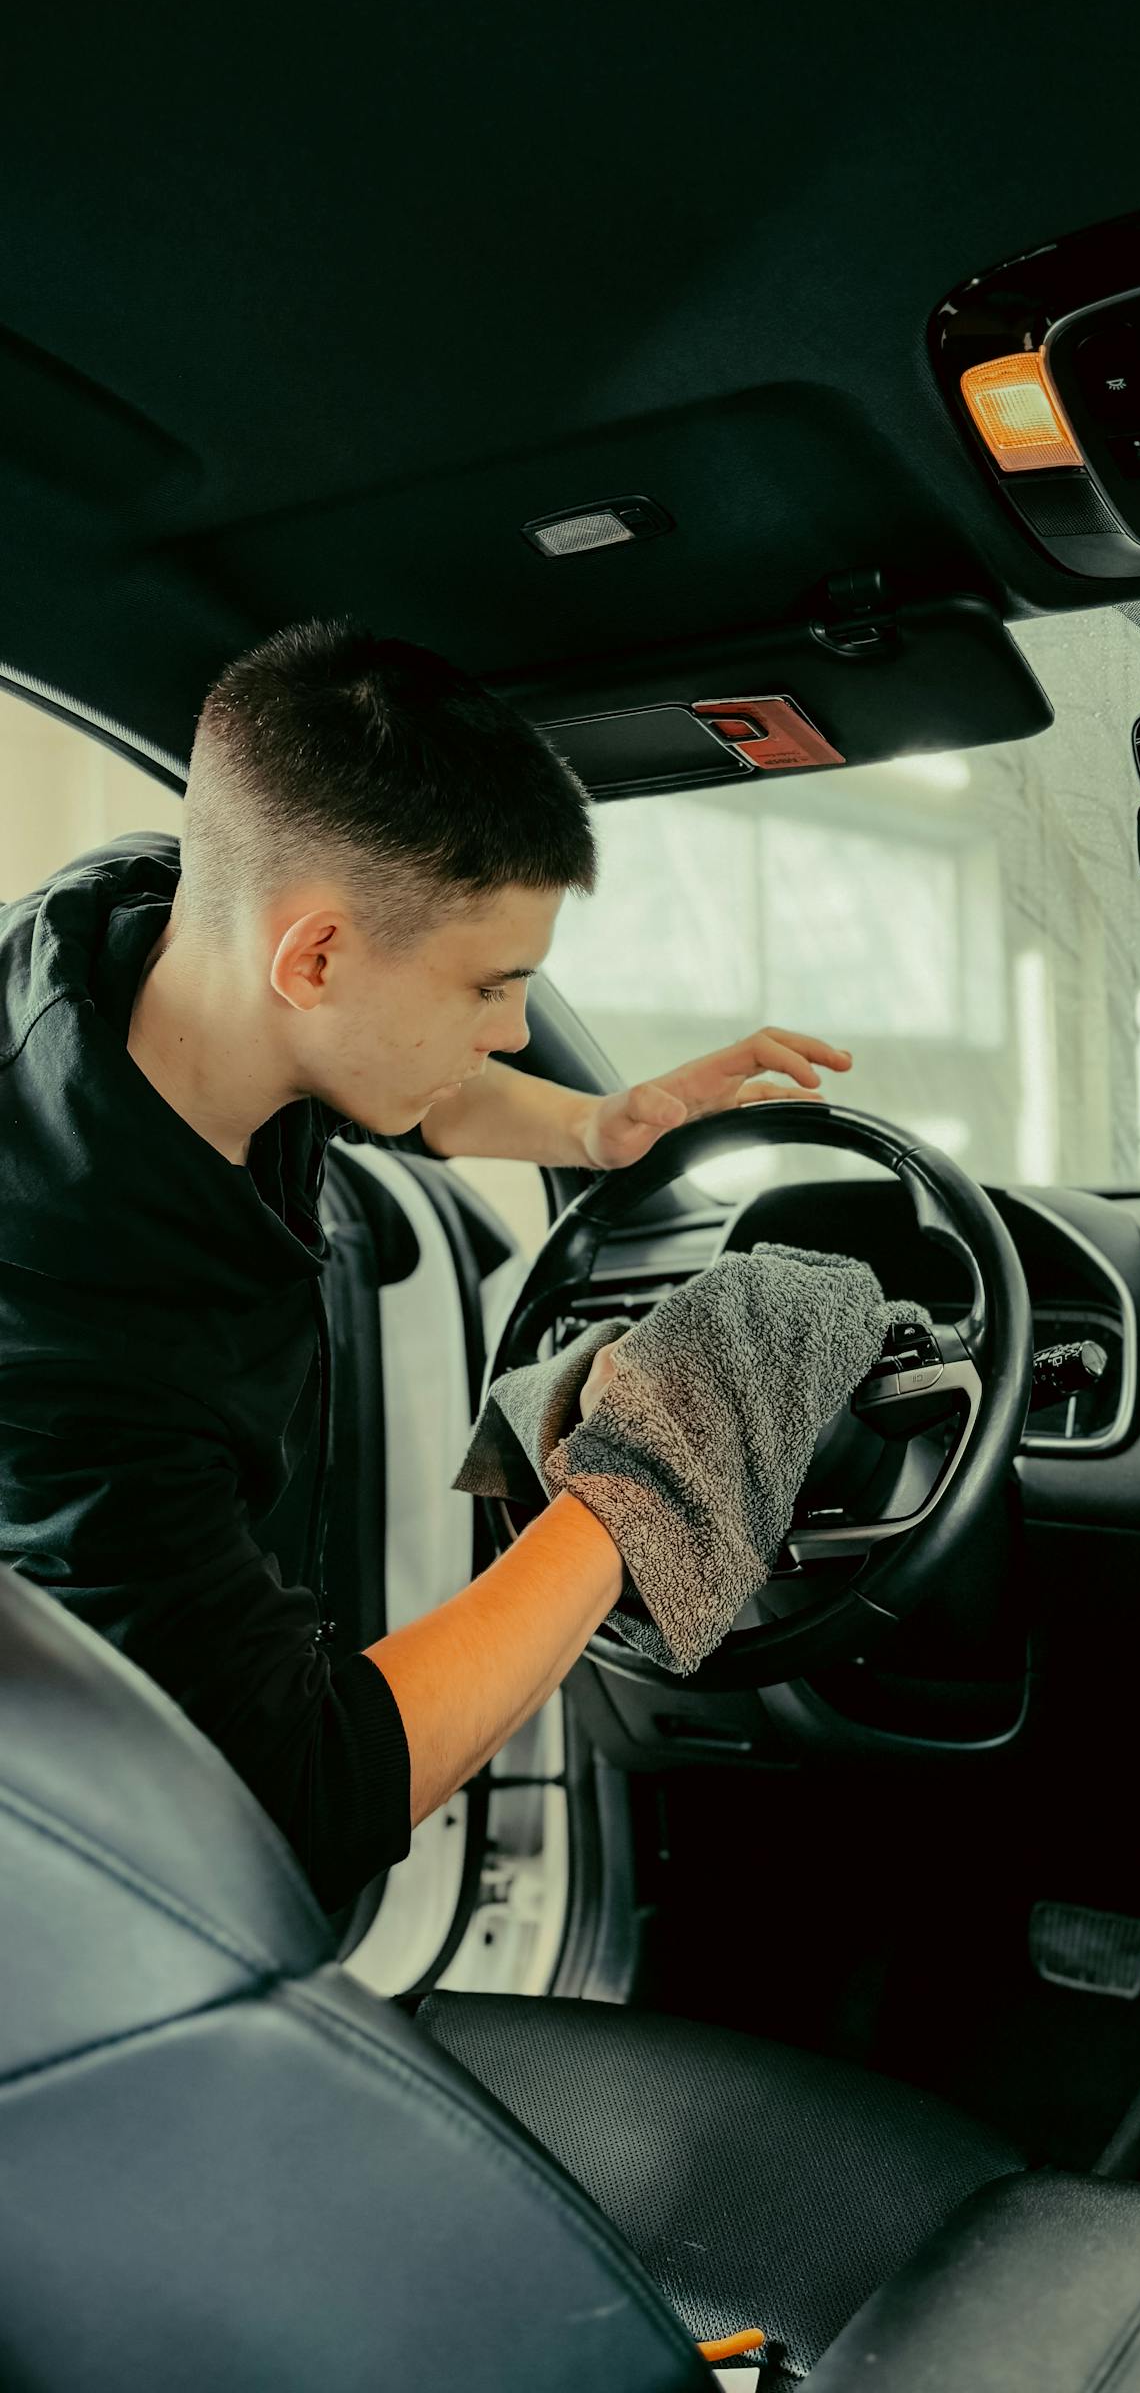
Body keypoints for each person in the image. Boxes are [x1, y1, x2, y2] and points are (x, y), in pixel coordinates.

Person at [0, 620, 850, 1911]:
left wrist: (591, 1125)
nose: (514, 1030)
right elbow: (296, 1797)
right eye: (490, 988)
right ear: (318, 955)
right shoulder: (71, 1338)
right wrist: (664, 1461)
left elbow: (370, 1076)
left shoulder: (138, 917)